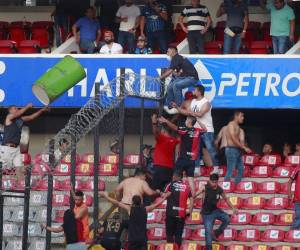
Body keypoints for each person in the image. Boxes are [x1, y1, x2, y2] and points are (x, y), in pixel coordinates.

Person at [100, 191, 169, 250]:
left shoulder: (130, 209)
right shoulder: (145, 209)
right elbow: (157, 204)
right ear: (141, 202)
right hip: (142, 239)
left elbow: (117, 203)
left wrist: (106, 196)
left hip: (132, 239)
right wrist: (165, 197)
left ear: (132, 202)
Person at [175, 85, 220, 173]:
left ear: (199, 92)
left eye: (195, 90)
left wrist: (190, 112)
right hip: (196, 130)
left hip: (207, 130)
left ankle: (216, 168)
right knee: (196, 150)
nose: (193, 91)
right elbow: (186, 112)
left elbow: (200, 114)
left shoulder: (206, 102)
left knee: (210, 149)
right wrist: (177, 107)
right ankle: (197, 168)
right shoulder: (193, 102)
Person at [158, 115, 206, 197]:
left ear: (189, 121)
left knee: (175, 176)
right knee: (190, 179)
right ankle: (193, 196)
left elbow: (175, 127)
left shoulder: (185, 130)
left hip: (183, 158)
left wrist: (166, 121)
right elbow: (205, 129)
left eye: (187, 119)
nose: (185, 121)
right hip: (192, 160)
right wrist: (197, 120)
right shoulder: (197, 131)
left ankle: (171, 194)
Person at [0, 104, 48, 183]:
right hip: (7, 148)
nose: (17, 109)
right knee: (2, 169)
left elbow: (31, 117)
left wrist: (41, 110)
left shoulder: (20, 120)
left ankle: (19, 187)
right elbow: (17, 114)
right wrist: (27, 107)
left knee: (19, 169)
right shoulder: (9, 117)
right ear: (10, 111)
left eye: (17, 108)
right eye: (15, 108)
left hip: (16, 149)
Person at [195, 174, 238, 250]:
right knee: (208, 233)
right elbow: (194, 195)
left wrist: (233, 208)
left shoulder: (219, 189)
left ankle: (216, 233)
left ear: (218, 181)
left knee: (227, 219)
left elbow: (226, 199)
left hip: (215, 210)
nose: (214, 184)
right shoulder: (204, 187)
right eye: (212, 182)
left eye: (215, 182)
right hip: (207, 214)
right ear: (209, 181)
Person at [159, 46, 199, 114]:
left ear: (173, 52)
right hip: (184, 77)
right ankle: (170, 106)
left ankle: (178, 107)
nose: (167, 53)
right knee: (170, 87)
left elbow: (170, 70)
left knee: (176, 85)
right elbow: (178, 74)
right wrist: (173, 72)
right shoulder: (178, 59)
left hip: (192, 78)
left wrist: (160, 77)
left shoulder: (176, 57)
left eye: (168, 51)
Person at [151, 114, 179, 191]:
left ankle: (153, 202)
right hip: (170, 168)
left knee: (155, 190)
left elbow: (155, 133)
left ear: (163, 130)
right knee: (166, 189)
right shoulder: (174, 140)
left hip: (159, 167)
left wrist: (154, 123)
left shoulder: (162, 138)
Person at [164, 171, 194, 247]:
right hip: (181, 215)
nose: (172, 177)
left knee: (169, 235)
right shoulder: (187, 186)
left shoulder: (171, 184)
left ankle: (170, 248)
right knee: (178, 236)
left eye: (173, 176)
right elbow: (192, 198)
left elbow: (165, 195)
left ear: (177, 177)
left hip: (171, 214)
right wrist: (190, 211)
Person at [224, 111, 251, 184]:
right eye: (241, 116)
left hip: (238, 150)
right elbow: (233, 138)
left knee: (241, 169)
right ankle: (226, 187)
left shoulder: (239, 128)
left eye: (243, 116)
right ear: (236, 116)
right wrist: (244, 148)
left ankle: (235, 186)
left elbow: (241, 141)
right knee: (231, 169)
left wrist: (244, 147)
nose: (243, 118)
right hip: (231, 149)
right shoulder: (231, 124)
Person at [288, 164, 300, 229]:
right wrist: (289, 194)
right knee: (298, 217)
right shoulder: (298, 168)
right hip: (298, 200)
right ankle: (292, 234)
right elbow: (289, 182)